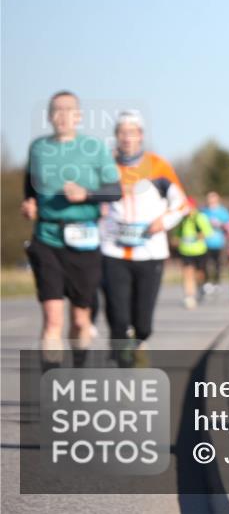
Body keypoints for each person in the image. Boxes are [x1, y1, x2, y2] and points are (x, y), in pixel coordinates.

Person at [22, 91, 122, 370]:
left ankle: (78, 371)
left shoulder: (94, 148)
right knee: (53, 319)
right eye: (56, 110)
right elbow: (30, 188)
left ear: (78, 116)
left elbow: (115, 191)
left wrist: (87, 194)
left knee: (80, 321)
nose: (62, 116)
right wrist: (29, 205)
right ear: (49, 116)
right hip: (47, 237)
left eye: (68, 110)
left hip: (84, 240)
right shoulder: (38, 148)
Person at [99, 110, 188, 367]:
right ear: (116, 136)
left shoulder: (158, 165)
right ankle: (122, 358)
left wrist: (164, 221)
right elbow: (90, 201)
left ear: (141, 136)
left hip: (150, 251)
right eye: (122, 133)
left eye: (132, 132)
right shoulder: (106, 166)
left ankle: (139, 343)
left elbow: (181, 204)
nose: (127, 138)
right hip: (113, 250)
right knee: (118, 314)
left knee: (143, 322)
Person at [175, 197, 214, 309]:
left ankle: (200, 287)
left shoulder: (200, 217)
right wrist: (177, 240)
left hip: (199, 250)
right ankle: (189, 296)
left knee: (199, 274)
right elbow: (177, 234)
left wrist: (196, 237)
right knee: (187, 273)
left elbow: (208, 232)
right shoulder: (182, 219)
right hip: (185, 251)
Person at [200, 191, 229, 294]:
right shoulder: (204, 211)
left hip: (218, 242)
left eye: (213, 198)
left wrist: (220, 225)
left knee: (217, 263)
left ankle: (217, 282)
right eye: (209, 198)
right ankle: (207, 282)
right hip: (205, 242)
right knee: (205, 264)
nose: (211, 200)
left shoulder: (222, 211)